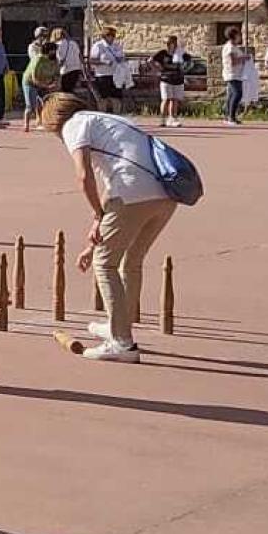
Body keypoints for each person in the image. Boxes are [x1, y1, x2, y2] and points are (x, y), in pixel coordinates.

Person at [38, 93, 178, 362]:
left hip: (132, 194)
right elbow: (114, 176)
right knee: (132, 261)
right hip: (166, 194)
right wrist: (98, 220)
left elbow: (84, 176)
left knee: (104, 264)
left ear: (53, 120)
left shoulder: (73, 126)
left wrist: (97, 213)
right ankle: (119, 325)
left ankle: (122, 342)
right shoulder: (108, 120)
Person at [21, 39, 61, 134]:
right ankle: (26, 124)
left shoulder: (55, 60)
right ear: (48, 50)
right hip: (30, 82)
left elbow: (57, 74)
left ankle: (41, 122)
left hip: (45, 83)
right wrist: (46, 86)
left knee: (45, 103)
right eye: (53, 50)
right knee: (30, 105)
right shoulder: (38, 59)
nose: (55, 52)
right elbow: (34, 77)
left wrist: (55, 83)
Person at [153, 35, 191, 128]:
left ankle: (173, 118)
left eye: (173, 43)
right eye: (169, 43)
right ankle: (162, 118)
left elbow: (189, 61)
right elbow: (152, 60)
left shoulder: (180, 53)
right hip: (166, 79)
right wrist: (158, 68)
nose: (171, 45)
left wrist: (185, 68)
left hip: (178, 79)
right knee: (166, 99)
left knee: (175, 100)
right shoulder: (163, 53)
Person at [89, 26, 129, 115]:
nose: (112, 37)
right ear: (104, 36)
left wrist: (121, 59)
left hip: (116, 75)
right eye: (109, 35)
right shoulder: (98, 46)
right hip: (103, 75)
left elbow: (122, 56)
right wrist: (104, 62)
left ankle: (117, 115)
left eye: (113, 35)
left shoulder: (117, 46)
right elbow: (92, 60)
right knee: (104, 98)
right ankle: (103, 115)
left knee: (116, 97)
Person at [221, 27, 248, 124]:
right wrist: (243, 58)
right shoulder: (230, 48)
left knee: (231, 95)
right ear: (234, 36)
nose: (240, 37)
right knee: (237, 94)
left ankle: (228, 115)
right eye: (239, 35)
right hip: (232, 74)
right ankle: (231, 117)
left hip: (237, 74)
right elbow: (233, 62)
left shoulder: (234, 46)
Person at [52, 26, 85, 95]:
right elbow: (79, 56)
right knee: (71, 89)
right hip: (76, 69)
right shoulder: (74, 43)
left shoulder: (57, 45)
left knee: (65, 91)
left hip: (66, 70)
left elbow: (60, 60)